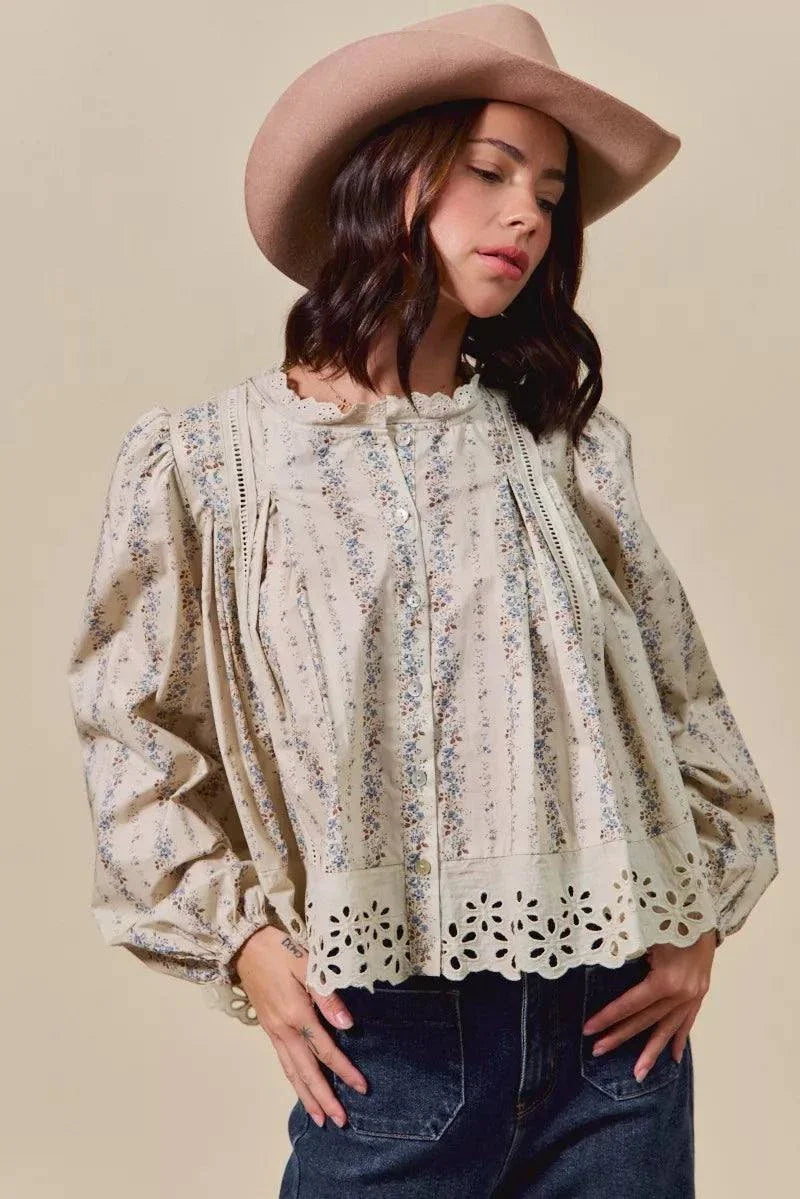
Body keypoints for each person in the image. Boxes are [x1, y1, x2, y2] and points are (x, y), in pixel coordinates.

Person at [65, 6, 779, 1196]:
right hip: (383, 1045)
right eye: (490, 170)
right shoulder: (210, 465)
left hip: (614, 1040)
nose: (526, 217)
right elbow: (131, 738)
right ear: (391, 179)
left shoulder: (566, 453)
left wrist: (698, 913)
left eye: (549, 194)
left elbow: (680, 691)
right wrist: (242, 941)